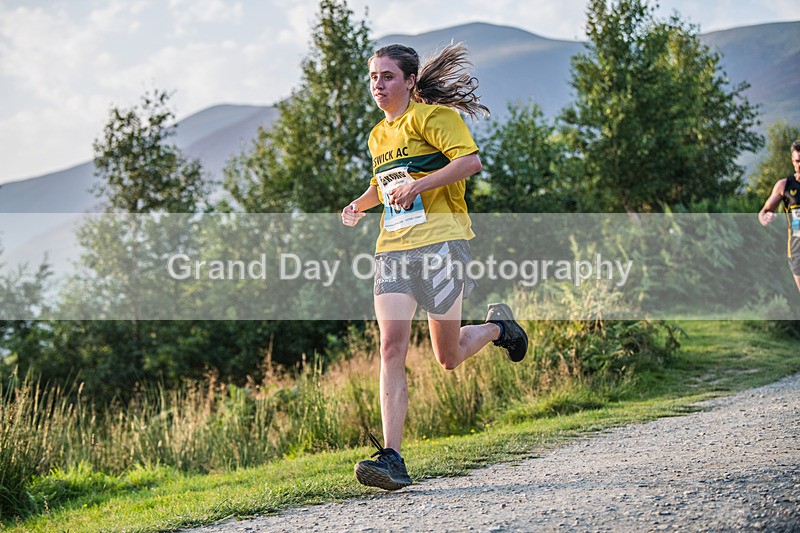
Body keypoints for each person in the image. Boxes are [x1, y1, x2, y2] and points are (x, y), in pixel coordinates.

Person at [341, 43, 529, 491]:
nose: (378, 85)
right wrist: (359, 205)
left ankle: (499, 329)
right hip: (393, 249)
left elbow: (470, 162)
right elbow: (381, 185)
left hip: (443, 244)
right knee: (391, 347)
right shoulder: (376, 135)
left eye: (387, 76)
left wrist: (420, 185)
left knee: (448, 357)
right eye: (372, 77)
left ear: (409, 81)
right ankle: (392, 458)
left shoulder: (435, 118)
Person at [758, 139, 800, 293]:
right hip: (797, 252)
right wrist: (765, 218)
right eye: (798, 161)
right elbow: (764, 211)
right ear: (792, 161)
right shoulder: (784, 186)